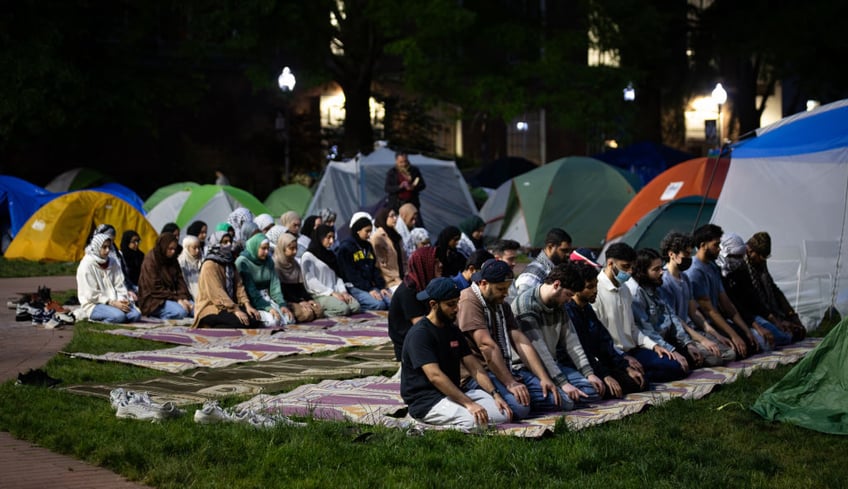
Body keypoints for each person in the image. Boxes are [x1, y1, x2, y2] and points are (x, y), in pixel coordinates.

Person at [457, 259, 563, 420]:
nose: (505, 294)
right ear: (484, 283)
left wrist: (543, 377)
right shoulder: (469, 300)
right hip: (478, 373)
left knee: (559, 401)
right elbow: (486, 346)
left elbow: (520, 340)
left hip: (504, 367)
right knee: (519, 409)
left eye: (506, 289)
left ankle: (518, 397)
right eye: (500, 289)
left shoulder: (501, 304)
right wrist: (510, 383)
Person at [401, 277, 512, 430]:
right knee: (476, 422)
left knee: (503, 413)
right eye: (450, 304)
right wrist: (469, 404)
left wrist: (495, 394)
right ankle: (422, 425)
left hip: (453, 393)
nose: (456, 309)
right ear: (434, 305)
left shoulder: (452, 329)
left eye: (457, 302)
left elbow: (474, 367)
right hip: (427, 400)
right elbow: (435, 376)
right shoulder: (420, 335)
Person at [592, 242, 687, 383]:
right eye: (625, 267)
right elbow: (599, 339)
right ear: (610, 263)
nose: (630, 271)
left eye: (631, 267)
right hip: (613, 355)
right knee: (635, 380)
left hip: (633, 350)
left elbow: (632, 329)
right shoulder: (596, 291)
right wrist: (622, 358)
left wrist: (654, 346)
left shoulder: (624, 289)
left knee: (675, 366)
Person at [512, 263, 604, 406]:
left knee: (593, 390)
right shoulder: (526, 305)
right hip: (527, 368)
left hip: (553, 366)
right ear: (556, 285)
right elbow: (539, 349)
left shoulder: (559, 305)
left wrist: (589, 373)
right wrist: (563, 383)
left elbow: (572, 341)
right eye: (568, 295)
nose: (569, 300)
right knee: (566, 401)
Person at [566, 262, 646, 398]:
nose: (595, 290)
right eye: (589, 287)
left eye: (595, 285)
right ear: (576, 289)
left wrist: (625, 366)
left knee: (637, 380)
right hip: (581, 366)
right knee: (603, 390)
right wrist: (605, 375)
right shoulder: (569, 312)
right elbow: (581, 351)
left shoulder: (587, 308)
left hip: (598, 364)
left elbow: (604, 342)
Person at [658, 232, 735, 367]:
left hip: (692, 329)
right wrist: (702, 340)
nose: (689, 258)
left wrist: (715, 334)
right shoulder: (665, 281)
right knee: (715, 359)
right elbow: (675, 319)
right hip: (678, 334)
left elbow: (693, 312)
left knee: (730, 353)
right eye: (686, 255)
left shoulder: (684, 278)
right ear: (672, 254)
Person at [685, 224, 761, 359]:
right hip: (707, 326)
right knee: (735, 351)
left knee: (753, 342)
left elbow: (726, 302)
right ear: (703, 245)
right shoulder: (695, 271)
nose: (719, 249)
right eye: (716, 245)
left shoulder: (713, 266)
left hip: (719, 321)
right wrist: (734, 335)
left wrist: (745, 330)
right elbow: (709, 310)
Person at [629, 248, 703, 372]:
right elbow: (647, 331)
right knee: (676, 367)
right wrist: (671, 350)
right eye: (655, 270)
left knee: (693, 357)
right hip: (652, 345)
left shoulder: (656, 286)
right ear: (642, 272)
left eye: (661, 268)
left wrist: (687, 343)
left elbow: (672, 318)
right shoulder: (637, 294)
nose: (661, 272)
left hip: (666, 339)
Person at [719, 233, 792, 349]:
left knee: (784, 336)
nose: (738, 260)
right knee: (766, 341)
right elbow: (734, 305)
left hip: (752, 314)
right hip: (741, 316)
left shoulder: (742, 269)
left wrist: (774, 318)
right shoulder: (725, 272)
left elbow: (753, 296)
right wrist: (756, 325)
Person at [745, 232, 806, 340]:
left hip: (771, 312)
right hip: (755, 314)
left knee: (799, 330)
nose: (763, 260)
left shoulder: (760, 262)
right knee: (783, 336)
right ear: (751, 251)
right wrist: (776, 320)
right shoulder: (742, 265)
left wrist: (791, 314)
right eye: (762, 256)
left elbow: (773, 288)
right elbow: (753, 300)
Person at [192, 239, 265, 329]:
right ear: (216, 244)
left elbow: (239, 286)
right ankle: (208, 326)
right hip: (212, 306)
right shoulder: (209, 265)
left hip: (229, 305)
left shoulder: (230, 263)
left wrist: (247, 305)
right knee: (241, 323)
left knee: (255, 320)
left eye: (229, 241)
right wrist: (235, 309)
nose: (229, 244)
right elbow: (217, 292)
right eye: (225, 242)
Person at [388, 246, 441, 360]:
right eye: (435, 263)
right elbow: (420, 324)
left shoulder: (422, 284)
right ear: (424, 264)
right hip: (408, 343)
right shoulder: (409, 290)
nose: (440, 265)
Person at [75, 233, 142, 323]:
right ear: (97, 247)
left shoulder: (112, 262)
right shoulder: (86, 265)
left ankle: (114, 317)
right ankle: (94, 320)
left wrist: (122, 299)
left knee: (136, 315)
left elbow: (119, 285)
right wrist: (112, 303)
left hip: (115, 301)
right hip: (94, 304)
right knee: (119, 317)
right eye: (104, 247)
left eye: (109, 247)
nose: (107, 251)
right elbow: (91, 294)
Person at [301, 224, 361, 316]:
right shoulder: (308, 256)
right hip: (320, 294)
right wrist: (331, 293)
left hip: (335, 292)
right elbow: (311, 282)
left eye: (333, 237)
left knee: (355, 306)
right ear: (320, 237)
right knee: (343, 309)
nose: (331, 241)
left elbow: (337, 277)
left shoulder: (331, 255)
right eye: (328, 237)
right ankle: (319, 313)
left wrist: (343, 292)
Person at [336, 212, 391, 310]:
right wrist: (369, 290)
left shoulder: (367, 246)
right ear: (358, 231)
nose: (369, 234)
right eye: (367, 231)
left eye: (370, 231)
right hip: (354, 287)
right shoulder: (346, 248)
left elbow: (374, 269)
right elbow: (351, 275)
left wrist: (381, 287)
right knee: (379, 305)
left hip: (369, 285)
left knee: (390, 302)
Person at [236, 233, 294, 326]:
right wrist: (268, 308)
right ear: (255, 247)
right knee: (273, 321)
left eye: (268, 248)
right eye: (263, 248)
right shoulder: (243, 262)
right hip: (253, 301)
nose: (267, 252)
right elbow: (251, 291)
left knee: (289, 319)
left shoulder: (268, 261)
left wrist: (282, 304)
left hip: (267, 298)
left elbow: (275, 286)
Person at [137, 233, 194, 320]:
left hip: (172, 296)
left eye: (174, 249)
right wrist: (177, 299)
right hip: (155, 300)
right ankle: (160, 317)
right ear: (163, 247)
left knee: (195, 309)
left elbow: (180, 281)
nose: (173, 252)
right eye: (170, 249)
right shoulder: (151, 260)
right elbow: (155, 288)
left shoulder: (172, 260)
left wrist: (184, 298)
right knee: (181, 312)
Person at [273, 232, 324, 323]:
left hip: (298, 299)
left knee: (319, 310)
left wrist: (308, 300)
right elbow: (282, 291)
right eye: (291, 248)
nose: (295, 251)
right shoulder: (276, 266)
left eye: (296, 248)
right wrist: (299, 302)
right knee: (307, 314)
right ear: (282, 248)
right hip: (286, 300)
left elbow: (300, 287)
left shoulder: (295, 264)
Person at [511, 228, 572, 300]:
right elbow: (523, 306)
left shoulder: (553, 269)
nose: (568, 254)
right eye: (564, 250)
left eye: (569, 251)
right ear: (550, 247)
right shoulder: (532, 275)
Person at [385, 151, 426, 226]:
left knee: (417, 225)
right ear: (396, 161)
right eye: (401, 162)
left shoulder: (414, 171)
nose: (404, 164)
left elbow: (422, 185)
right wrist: (399, 187)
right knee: (398, 226)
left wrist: (413, 187)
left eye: (405, 161)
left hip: (412, 204)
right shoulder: (392, 172)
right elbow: (387, 188)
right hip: (396, 205)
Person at [370, 208, 407, 292]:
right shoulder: (378, 237)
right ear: (384, 217)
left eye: (395, 215)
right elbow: (381, 265)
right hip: (390, 281)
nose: (395, 218)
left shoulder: (395, 234)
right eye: (392, 216)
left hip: (403, 276)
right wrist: (395, 278)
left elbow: (403, 258)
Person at [178, 235, 203, 301]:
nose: (197, 250)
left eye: (198, 247)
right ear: (187, 248)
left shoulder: (202, 260)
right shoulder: (181, 263)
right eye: (194, 248)